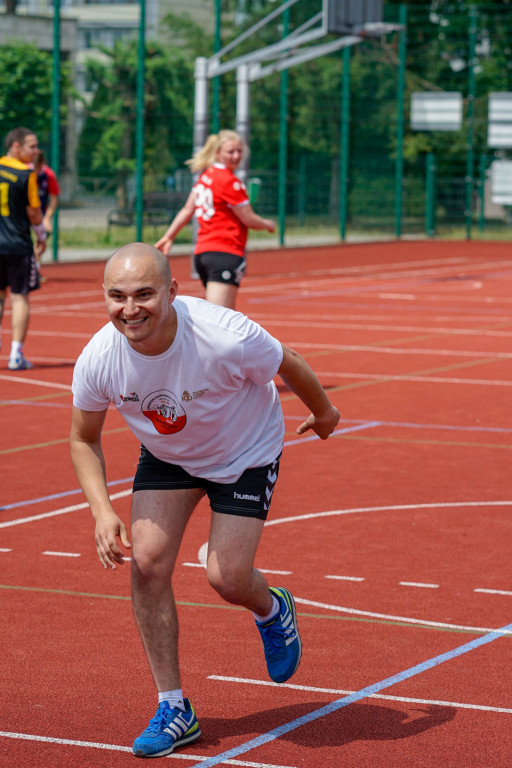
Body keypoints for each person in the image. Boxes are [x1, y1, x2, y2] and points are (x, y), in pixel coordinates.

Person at [70, 242, 340, 759]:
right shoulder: (99, 358)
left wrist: (324, 413)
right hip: (170, 456)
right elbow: (83, 437)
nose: (131, 309)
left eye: (145, 294)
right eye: (118, 296)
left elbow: (291, 361)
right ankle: (175, 708)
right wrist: (101, 510)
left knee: (226, 577)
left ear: (173, 291)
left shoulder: (224, 335)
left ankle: (271, 609)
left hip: (246, 451)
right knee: (146, 565)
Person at [155, 130, 275, 310]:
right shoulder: (229, 181)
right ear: (217, 153)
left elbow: (188, 209)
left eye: (239, 151)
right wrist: (268, 224)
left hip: (203, 254)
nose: (236, 156)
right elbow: (248, 218)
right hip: (224, 252)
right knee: (220, 321)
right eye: (230, 152)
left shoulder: (206, 177)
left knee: (224, 318)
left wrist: (169, 235)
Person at [0, 127, 47, 370]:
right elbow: (34, 212)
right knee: (19, 298)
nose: (36, 151)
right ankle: (16, 354)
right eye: (32, 146)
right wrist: (41, 235)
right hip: (17, 244)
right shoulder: (25, 174)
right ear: (15, 146)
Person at [33, 149, 60, 279]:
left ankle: (33, 266)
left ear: (43, 163)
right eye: (34, 167)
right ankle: (34, 271)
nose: (36, 170)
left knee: (41, 246)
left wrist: (47, 218)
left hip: (40, 215)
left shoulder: (49, 175)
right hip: (24, 214)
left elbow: (53, 198)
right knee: (30, 245)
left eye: (38, 167)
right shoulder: (25, 173)